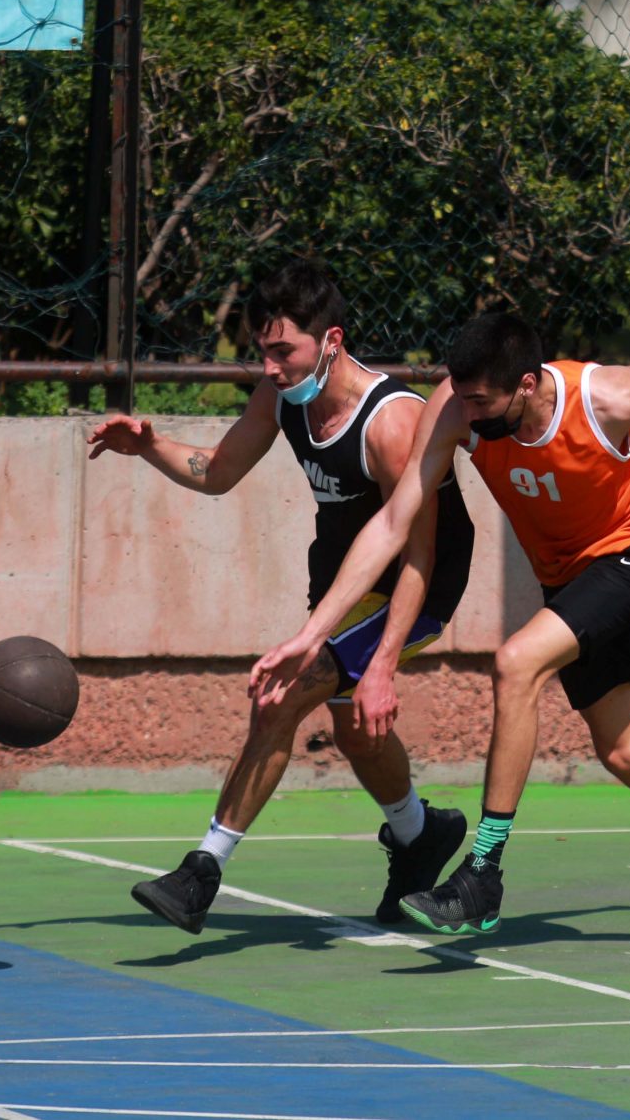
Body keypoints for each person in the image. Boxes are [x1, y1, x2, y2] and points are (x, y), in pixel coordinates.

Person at [250, 311, 630, 950]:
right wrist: (314, 633)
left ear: (529, 385)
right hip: (570, 579)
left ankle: (483, 872)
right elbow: (397, 519)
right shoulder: (457, 408)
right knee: (627, 752)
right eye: (464, 397)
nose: (470, 415)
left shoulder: (607, 398)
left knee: (516, 661)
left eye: (485, 401)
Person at [86, 258, 473, 933]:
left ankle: (201, 869)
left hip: (417, 580)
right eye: (261, 351)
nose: (268, 366)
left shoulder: (392, 425)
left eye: (282, 350)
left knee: (282, 693)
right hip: (342, 582)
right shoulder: (284, 396)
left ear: (331, 340)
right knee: (355, 732)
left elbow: (418, 551)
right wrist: (147, 446)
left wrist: (382, 662)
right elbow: (218, 471)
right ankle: (421, 834)